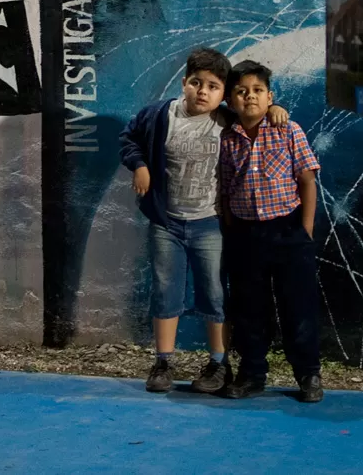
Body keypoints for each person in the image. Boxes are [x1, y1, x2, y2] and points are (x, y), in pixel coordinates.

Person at [119, 48, 288, 395]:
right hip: (167, 223)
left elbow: (254, 110)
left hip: (209, 222)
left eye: (213, 86)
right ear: (184, 83)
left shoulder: (227, 119)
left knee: (213, 292)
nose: (202, 91)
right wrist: (140, 165)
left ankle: (218, 364)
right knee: (166, 289)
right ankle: (163, 362)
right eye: (196, 83)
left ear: (223, 94)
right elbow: (129, 138)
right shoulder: (158, 115)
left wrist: (273, 108)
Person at [217, 61, 324, 403]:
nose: (250, 97)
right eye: (241, 91)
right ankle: (252, 373)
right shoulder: (225, 138)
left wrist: (304, 232)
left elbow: (307, 180)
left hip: (289, 231)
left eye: (258, 91)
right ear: (231, 100)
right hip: (246, 235)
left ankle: (308, 374)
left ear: (270, 97)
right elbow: (225, 187)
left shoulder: (287, 129)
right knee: (249, 308)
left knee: (299, 306)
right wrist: (233, 230)